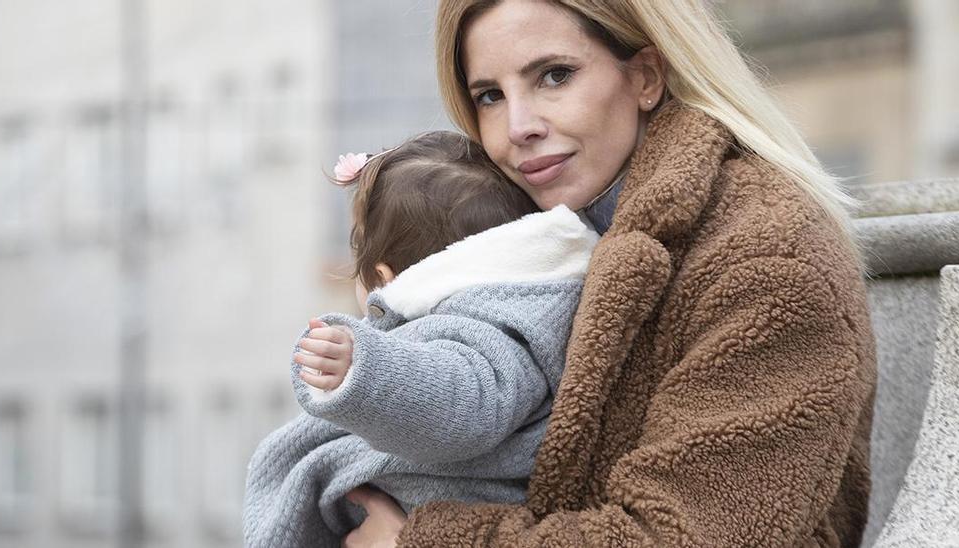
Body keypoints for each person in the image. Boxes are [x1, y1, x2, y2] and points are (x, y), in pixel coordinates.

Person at [341, 1, 877, 546]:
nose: (518, 127)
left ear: (646, 76)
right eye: (490, 96)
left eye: (554, 76)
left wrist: (418, 541)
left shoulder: (766, 258)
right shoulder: (551, 243)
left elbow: (682, 537)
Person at [242, 130, 602, 547]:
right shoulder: (522, 302)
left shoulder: (490, 323)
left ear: (383, 277)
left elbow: (466, 395)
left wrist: (367, 371)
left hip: (453, 500)